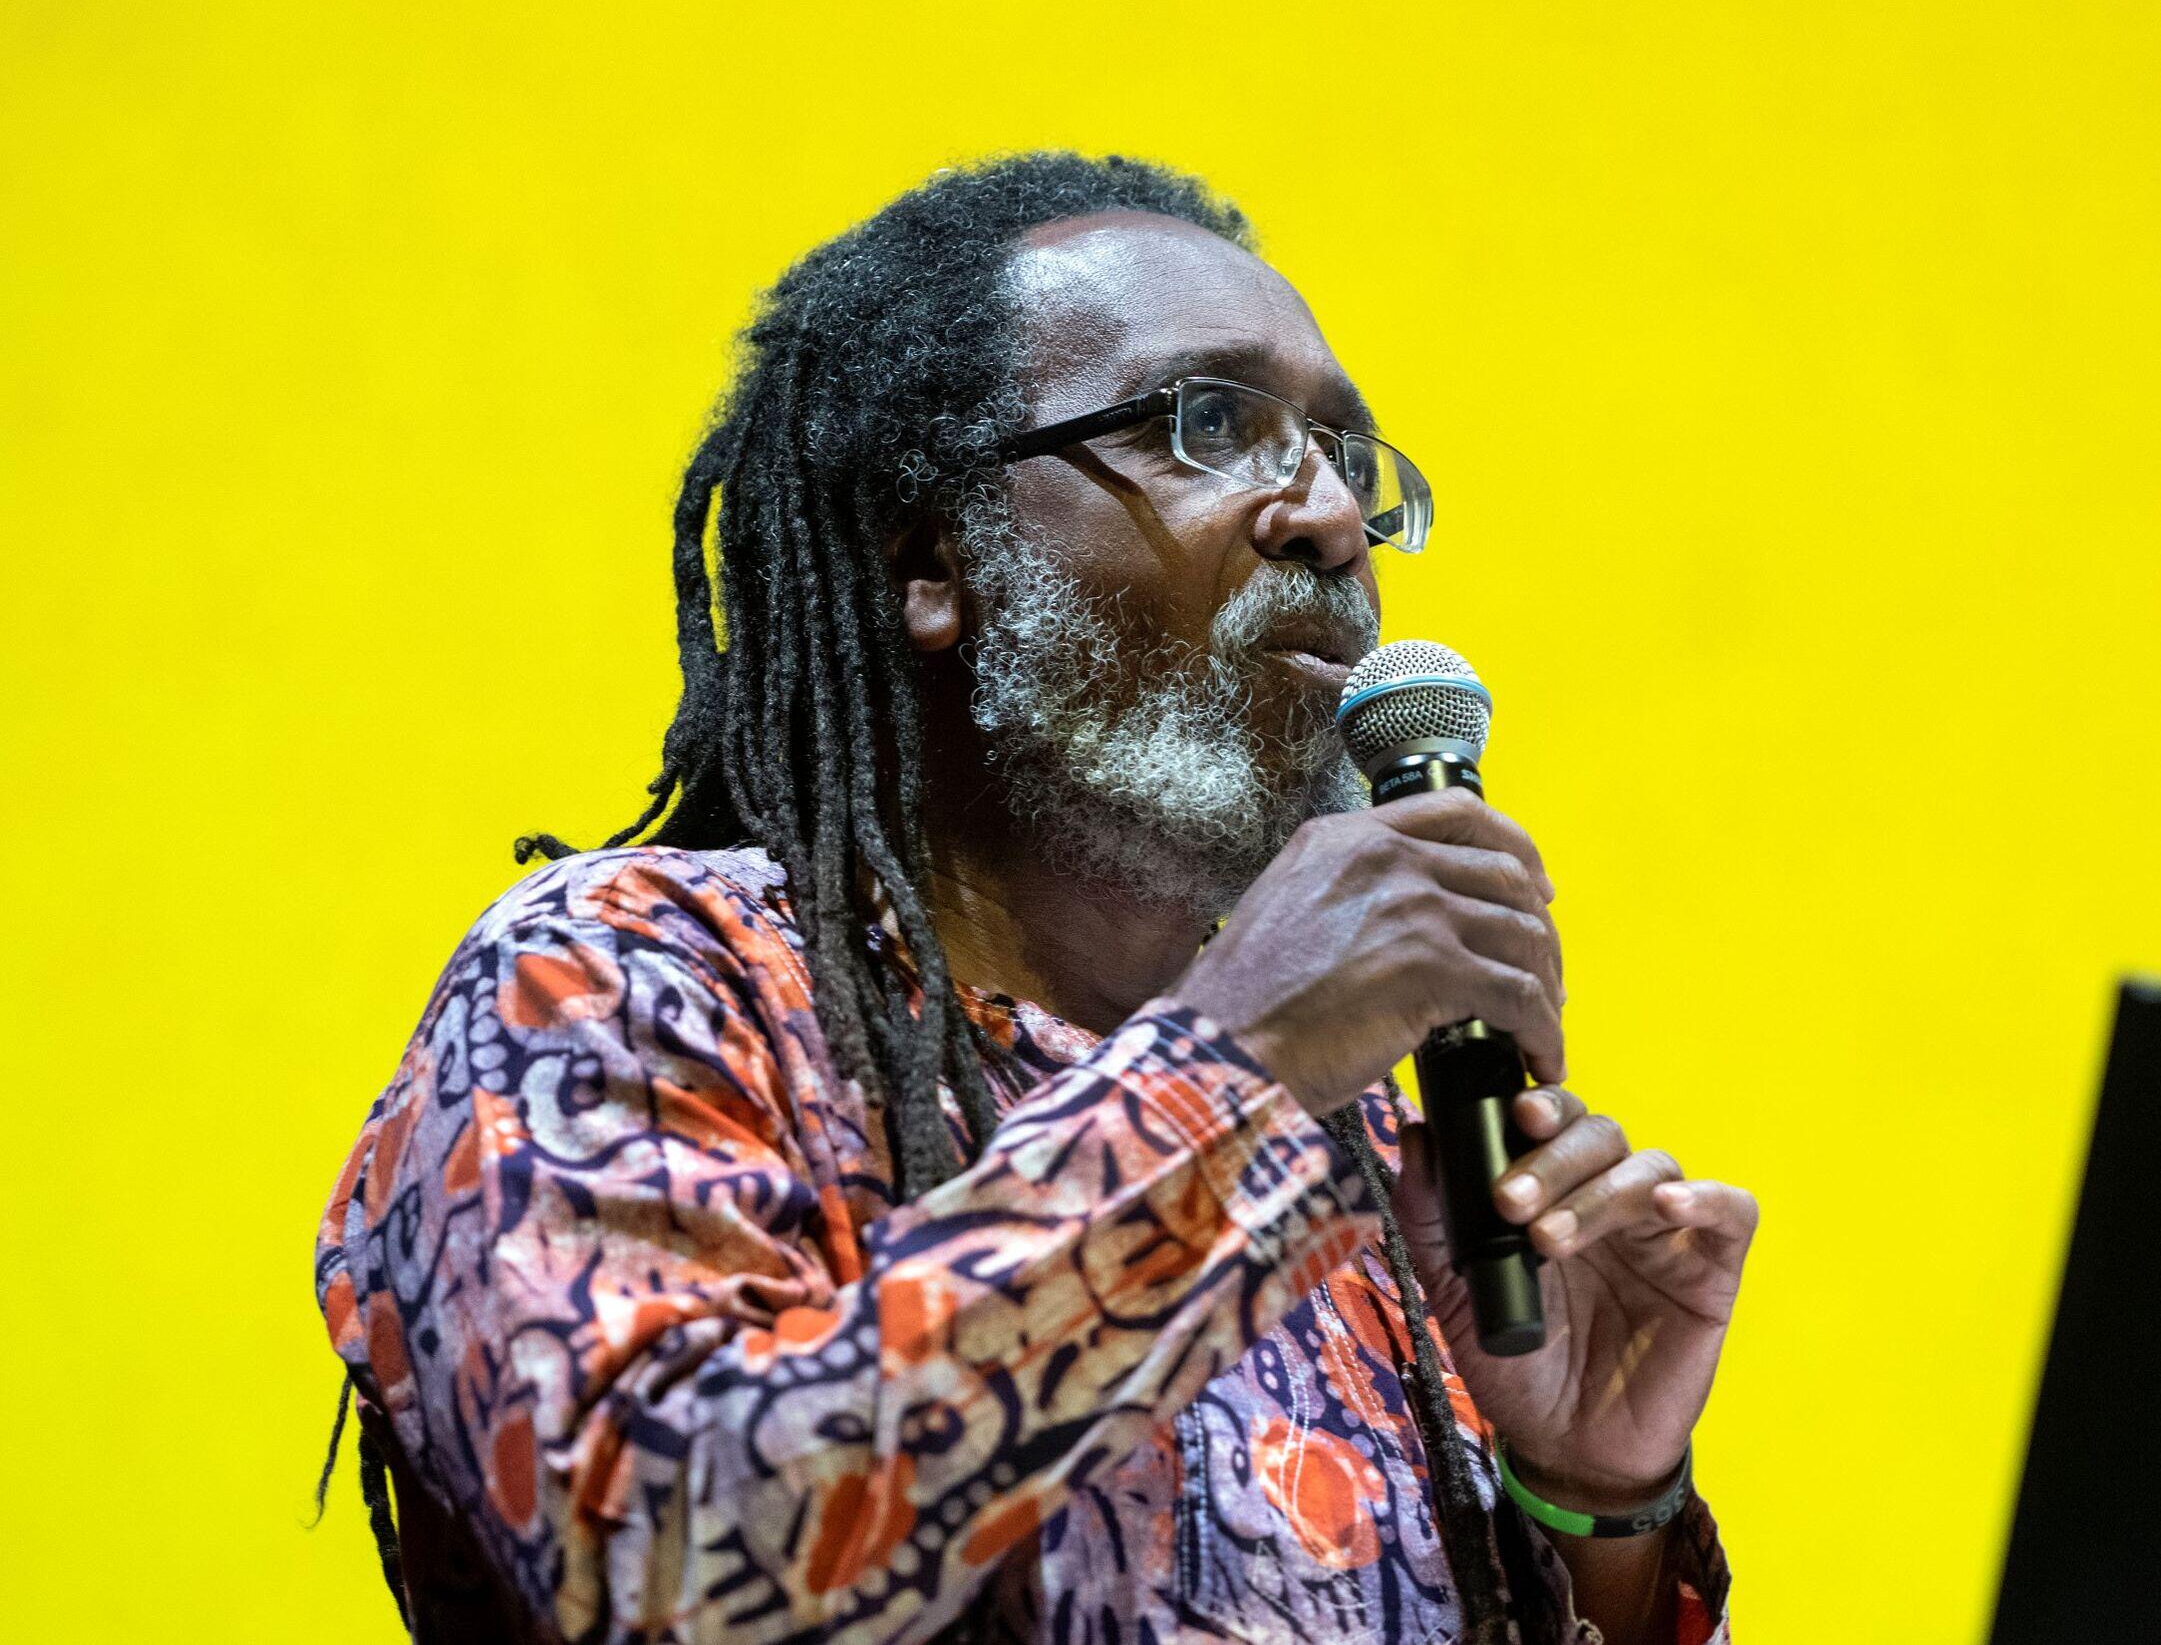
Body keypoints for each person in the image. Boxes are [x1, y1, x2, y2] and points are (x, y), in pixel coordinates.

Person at [314, 152, 1758, 1645]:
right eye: (1210, 425)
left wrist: (1593, 1505)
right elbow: (663, 1569)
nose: (1330, 517)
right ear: (934, 558)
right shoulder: (626, 980)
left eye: (1349, 458)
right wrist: (1238, 1076)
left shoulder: (1380, 1183)